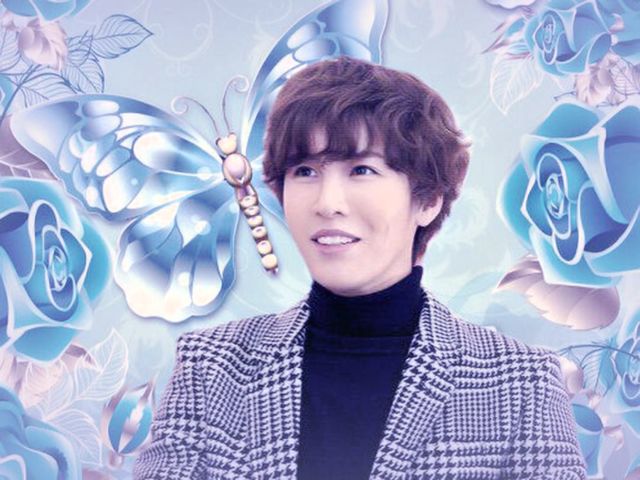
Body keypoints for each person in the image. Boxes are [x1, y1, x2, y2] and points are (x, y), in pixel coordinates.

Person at [133, 57, 588, 479]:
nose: (327, 203)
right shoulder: (210, 367)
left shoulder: (521, 382)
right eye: (305, 171)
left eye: (362, 170)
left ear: (428, 199)